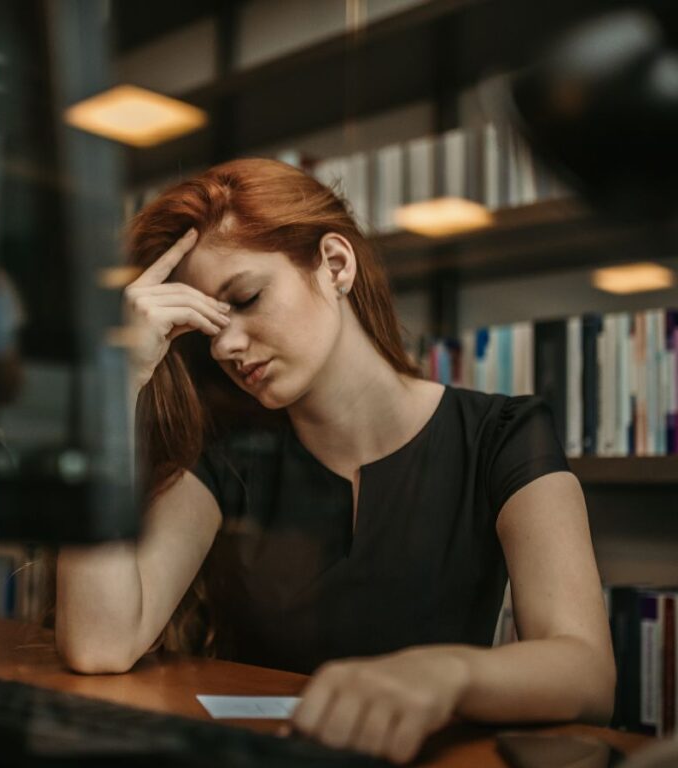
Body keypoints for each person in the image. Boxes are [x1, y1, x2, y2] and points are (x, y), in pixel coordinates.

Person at [54, 158, 615, 765]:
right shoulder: (226, 459)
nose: (226, 345)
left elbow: (587, 675)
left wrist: (448, 674)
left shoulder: (502, 435)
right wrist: (113, 392)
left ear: (335, 265)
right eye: (208, 328)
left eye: (245, 298)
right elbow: (99, 645)